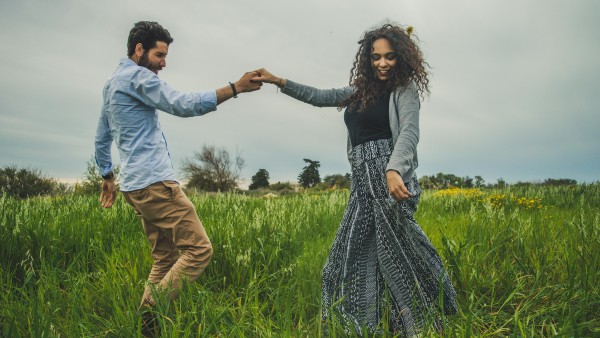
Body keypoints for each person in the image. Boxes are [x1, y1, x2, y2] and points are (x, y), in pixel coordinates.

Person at [253, 23, 458, 336]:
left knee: (401, 257)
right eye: (376, 57)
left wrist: (393, 169)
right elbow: (320, 96)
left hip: (390, 182)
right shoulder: (358, 92)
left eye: (389, 57)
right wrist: (277, 80)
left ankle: (424, 323)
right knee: (343, 264)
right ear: (367, 59)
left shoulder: (405, 91)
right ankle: (359, 327)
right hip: (363, 184)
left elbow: (409, 133)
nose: (382, 63)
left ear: (401, 58)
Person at [94, 21, 261, 336]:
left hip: (134, 186)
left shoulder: (112, 82)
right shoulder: (137, 77)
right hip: (156, 184)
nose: (163, 63)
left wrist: (107, 174)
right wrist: (235, 88)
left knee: (164, 258)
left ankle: (148, 329)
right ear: (139, 49)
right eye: (159, 54)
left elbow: (102, 136)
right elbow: (185, 104)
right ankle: (151, 313)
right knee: (199, 250)